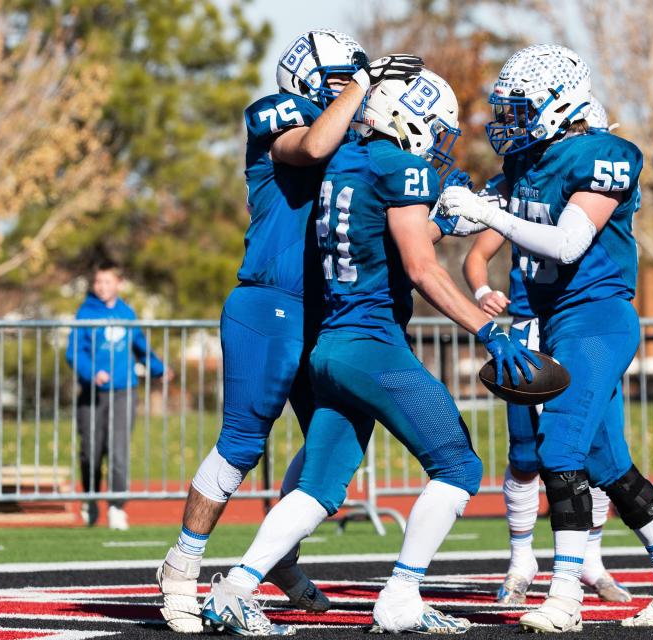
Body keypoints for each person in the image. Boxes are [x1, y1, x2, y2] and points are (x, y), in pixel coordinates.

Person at [199, 68, 538, 636]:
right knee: (459, 467)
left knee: (318, 486)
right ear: (407, 115)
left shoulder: (345, 162)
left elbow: (385, 235)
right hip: (373, 340)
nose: (436, 137)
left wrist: (438, 224)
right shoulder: (402, 167)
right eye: (433, 123)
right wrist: (487, 328)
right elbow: (420, 270)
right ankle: (402, 595)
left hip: (330, 344)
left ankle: (234, 588)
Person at [155, 28, 425, 633]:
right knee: (243, 441)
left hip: (327, 310)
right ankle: (181, 567)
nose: (351, 94)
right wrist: (360, 84)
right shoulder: (280, 119)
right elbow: (315, 141)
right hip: (269, 302)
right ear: (308, 79)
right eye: (338, 81)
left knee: (333, 443)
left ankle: (277, 554)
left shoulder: (356, 143)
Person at [440, 44, 653, 631]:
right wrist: (435, 203)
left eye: (519, 109)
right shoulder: (526, 164)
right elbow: (459, 220)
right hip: (558, 320)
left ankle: (564, 596)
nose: (506, 122)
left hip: (597, 318)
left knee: (559, 450)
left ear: (560, 105)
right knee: (608, 462)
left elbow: (565, 243)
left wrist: (488, 216)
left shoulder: (602, 154)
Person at [461, 97, 631, 607]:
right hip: (532, 324)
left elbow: (568, 244)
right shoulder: (524, 178)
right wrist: (479, 291)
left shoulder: (588, 188)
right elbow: (478, 250)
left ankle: (590, 562)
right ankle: (521, 561)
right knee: (526, 454)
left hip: (580, 325)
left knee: (595, 448)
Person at [66, 260, 168, 531]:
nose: (102, 287)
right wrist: (91, 372)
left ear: (118, 284)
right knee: (90, 451)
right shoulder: (85, 314)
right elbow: (74, 352)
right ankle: (89, 500)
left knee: (118, 451)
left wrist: (158, 368)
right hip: (92, 395)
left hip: (124, 392)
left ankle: (117, 506)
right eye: (98, 282)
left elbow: (140, 346)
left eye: (107, 281)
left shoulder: (127, 312)